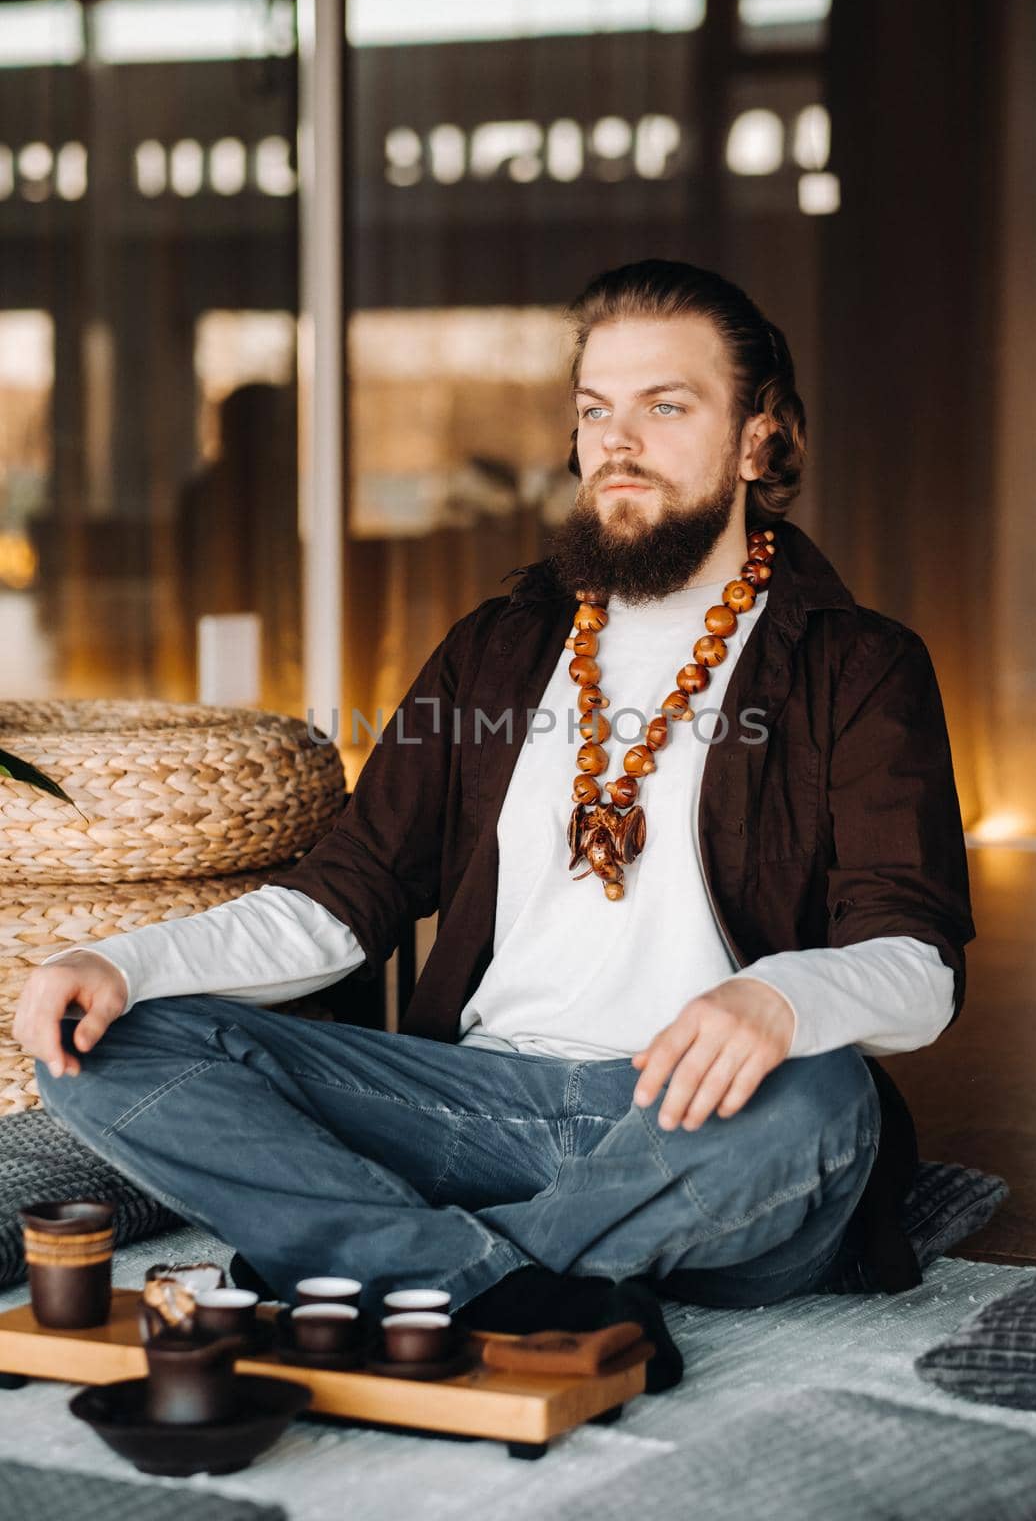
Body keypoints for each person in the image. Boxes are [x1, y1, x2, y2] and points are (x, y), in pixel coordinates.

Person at [15, 260, 974, 1395]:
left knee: (823, 1098)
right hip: (467, 1105)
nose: (615, 441)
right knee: (95, 1041)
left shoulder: (856, 664)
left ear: (759, 440)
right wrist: (119, 960)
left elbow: (917, 969)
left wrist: (779, 998)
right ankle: (510, 1286)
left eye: (665, 406)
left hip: (693, 1117)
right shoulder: (497, 647)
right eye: (593, 409)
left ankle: (382, 1262)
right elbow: (339, 903)